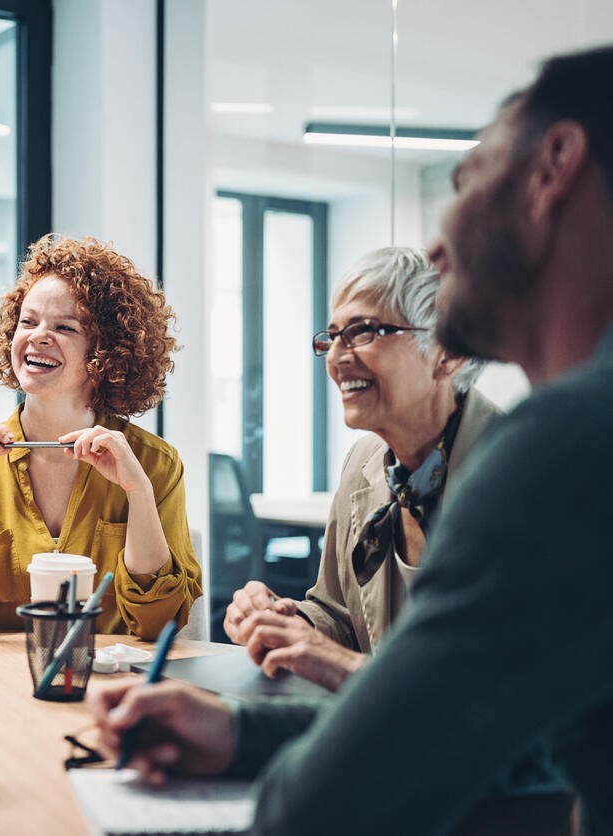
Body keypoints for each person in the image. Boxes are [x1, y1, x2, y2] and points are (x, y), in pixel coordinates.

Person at [92, 44, 613, 835]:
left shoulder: (561, 448)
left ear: (554, 168)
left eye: (468, 180)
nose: (439, 249)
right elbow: (484, 729)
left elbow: (327, 805)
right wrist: (238, 732)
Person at [221, 247, 498, 691]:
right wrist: (283, 620)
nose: (336, 357)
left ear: (447, 351)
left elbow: (503, 682)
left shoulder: (517, 476)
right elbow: (338, 617)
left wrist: (343, 665)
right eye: (332, 337)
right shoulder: (365, 463)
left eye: (364, 331)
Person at [0, 234, 202, 639]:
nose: (37, 336)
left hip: (114, 689)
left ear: (107, 352)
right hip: (4, 686)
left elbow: (160, 623)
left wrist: (138, 492)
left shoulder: (155, 464)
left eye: (64, 327)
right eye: (28, 321)